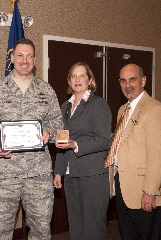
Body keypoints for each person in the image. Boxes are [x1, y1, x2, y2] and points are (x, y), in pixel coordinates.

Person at [0, 38, 63, 240]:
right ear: (12, 58)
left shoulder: (46, 90)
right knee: (0, 232)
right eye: (20, 55)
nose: (24, 60)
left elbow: (57, 123)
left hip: (39, 175)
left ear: (35, 59)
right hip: (5, 175)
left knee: (42, 231)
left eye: (29, 56)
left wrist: (49, 133)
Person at [104, 63, 161, 240]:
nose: (128, 85)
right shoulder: (122, 110)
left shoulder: (156, 110)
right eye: (123, 80)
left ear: (143, 80)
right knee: (129, 235)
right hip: (123, 187)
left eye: (132, 79)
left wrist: (150, 191)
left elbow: (158, 156)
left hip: (145, 191)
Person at [54, 62, 112, 240]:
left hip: (93, 176)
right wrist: (58, 172)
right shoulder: (64, 106)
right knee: (76, 226)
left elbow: (104, 140)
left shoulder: (98, 104)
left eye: (82, 76)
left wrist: (76, 144)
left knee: (93, 229)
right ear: (69, 81)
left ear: (90, 80)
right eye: (73, 76)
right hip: (71, 176)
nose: (77, 79)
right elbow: (62, 140)